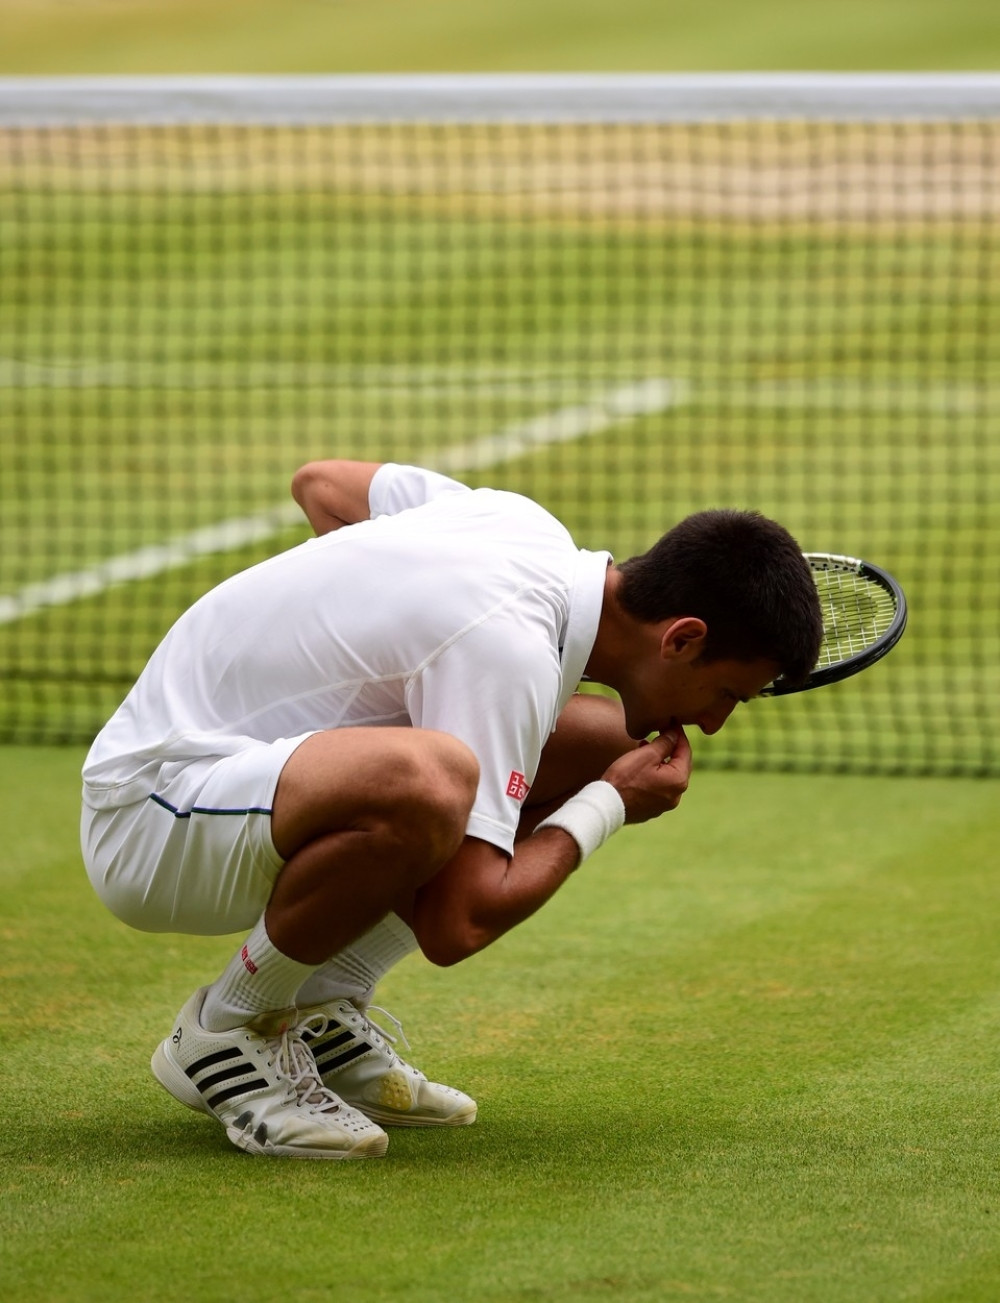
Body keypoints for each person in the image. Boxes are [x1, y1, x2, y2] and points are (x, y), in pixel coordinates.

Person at [80, 460, 823, 1161]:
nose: (716, 722)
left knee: (591, 740)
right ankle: (230, 1024)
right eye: (728, 693)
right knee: (431, 781)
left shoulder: (516, 521)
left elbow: (327, 486)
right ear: (682, 637)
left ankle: (323, 999)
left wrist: (357, 645)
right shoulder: (510, 651)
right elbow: (457, 922)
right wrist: (610, 803)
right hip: (152, 816)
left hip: (245, 783)